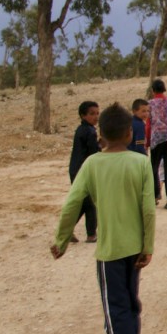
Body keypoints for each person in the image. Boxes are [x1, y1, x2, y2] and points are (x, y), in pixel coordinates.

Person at [51, 102, 155, 334]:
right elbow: (148, 209)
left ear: (101, 134)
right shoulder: (141, 162)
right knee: (131, 306)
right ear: (127, 133)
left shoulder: (92, 164)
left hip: (110, 251)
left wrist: (61, 240)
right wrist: (148, 245)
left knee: (116, 311)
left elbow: (73, 204)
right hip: (136, 249)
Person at [69, 101, 100, 243]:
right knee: (91, 203)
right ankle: (91, 234)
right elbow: (94, 152)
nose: (96, 117)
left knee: (84, 202)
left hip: (76, 170)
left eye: (97, 113)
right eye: (92, 114)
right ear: (83, 115)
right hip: (84, 171)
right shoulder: (89, 131)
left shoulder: (82, 129)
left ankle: (68, 229)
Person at [148, 78, 167, 209]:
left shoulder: (150, 104)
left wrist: (147, 141)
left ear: (153, 90)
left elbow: (148, 124)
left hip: (156, 139)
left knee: (153, 167)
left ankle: (155, 195)